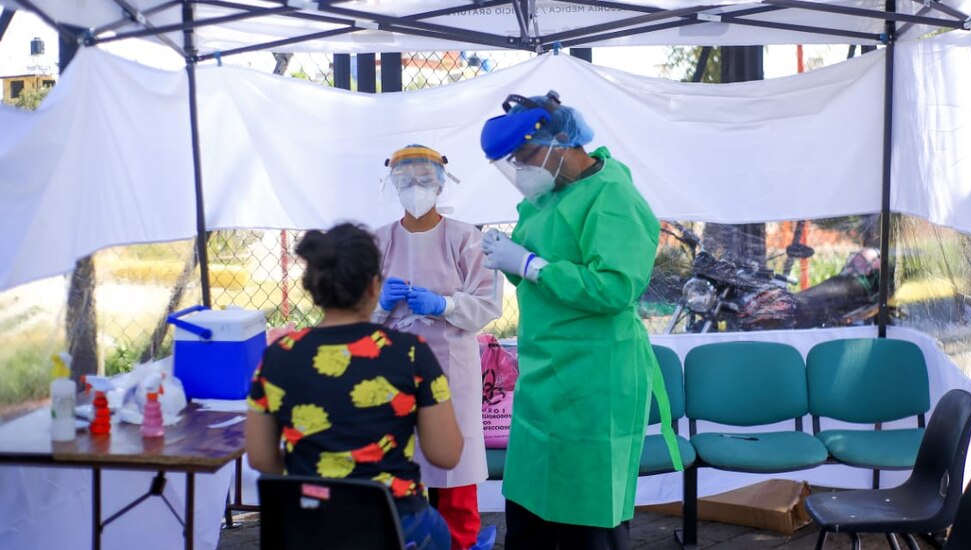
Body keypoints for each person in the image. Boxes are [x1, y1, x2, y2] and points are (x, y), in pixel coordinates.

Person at [479, 91, 681, 549]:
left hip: (596, 378)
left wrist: (532, 265)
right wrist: (512, 264)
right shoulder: (542, 201)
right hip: (543, 373)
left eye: (526, 155)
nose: (520, 168)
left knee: (588, 513)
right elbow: (540, 285)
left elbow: (614, 288)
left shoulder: (614, 196)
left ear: (563, 138)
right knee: (531, 508)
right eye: (512, 160)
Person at [245, 222, 463, 550]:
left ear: (313, 289)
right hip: (399, 525)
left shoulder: (278, 357)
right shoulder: (411, 352)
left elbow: (261, 459)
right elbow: (446, 454)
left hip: (309, 527)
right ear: (375, 286)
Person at [373, 145, 503, 550]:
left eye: (424, 180)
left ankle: (459, 542)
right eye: (406, 181)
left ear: (441, 183)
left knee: (455, 472)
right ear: (393, 185)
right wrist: (378, 305)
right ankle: (408, 540)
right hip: (391, 372)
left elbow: (487, 303)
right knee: (400, 464)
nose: (415, 189)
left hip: (452, 368)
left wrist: (444, 304)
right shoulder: (379, 242)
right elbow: (354, 310)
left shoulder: (465, 238)